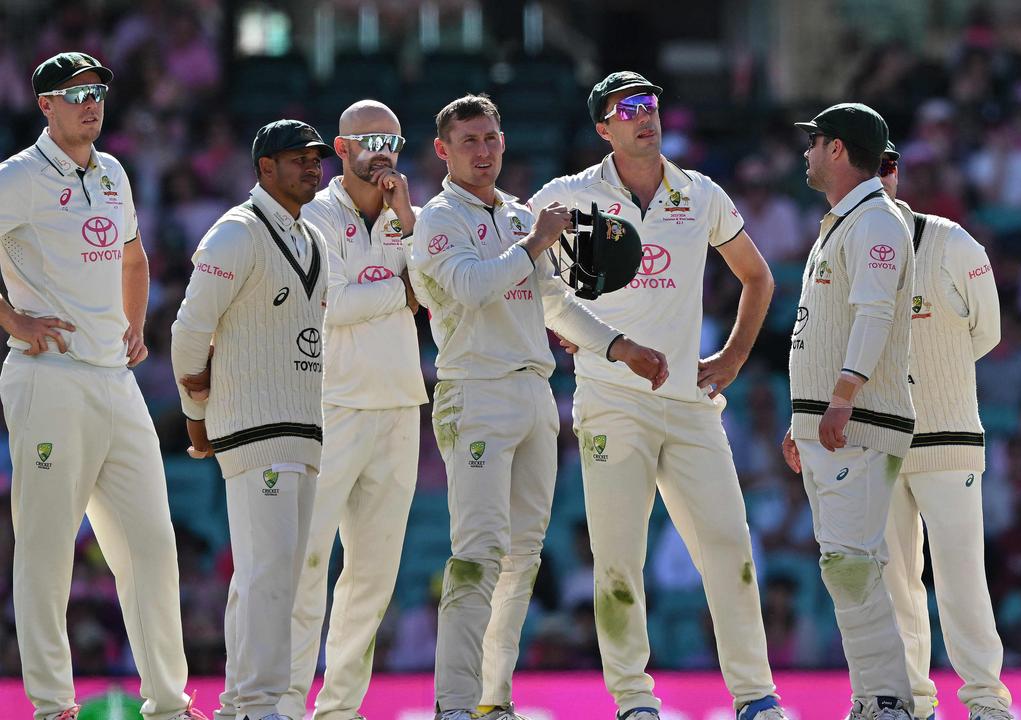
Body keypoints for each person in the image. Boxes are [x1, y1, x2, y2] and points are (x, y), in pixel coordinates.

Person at [529, 72, 789, 720]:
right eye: (628, 110)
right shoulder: (567, 197)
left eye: (650, 105)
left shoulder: (699, 194)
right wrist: (585, 335)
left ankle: (757, 698)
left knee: (730, 547)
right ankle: (633, 701)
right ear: (603, 128)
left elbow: (758, 278)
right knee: (618, 560)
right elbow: (529, 282)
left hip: (691, 404)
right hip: (611, 401)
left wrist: (731, 356)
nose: (645, 117)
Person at [410, 94, 668, 720]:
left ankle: (492, 701)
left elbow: (553, 304)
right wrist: (534, 242)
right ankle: (453, 705)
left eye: (492, 137)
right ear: (443, 151)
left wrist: (619, 346)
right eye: (469, 140)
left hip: (534, 392)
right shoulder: (438, 219)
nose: (484, 150)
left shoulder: (520, 216)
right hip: (475, 390)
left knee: (522, 559)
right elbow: (470, 287)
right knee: (476, 554)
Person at [0, 51, 201, 720]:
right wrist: (12, 317)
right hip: (47, 376)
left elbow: (133, 255)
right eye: (74, 92)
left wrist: (134, 325)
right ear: (45, 105)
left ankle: (169, 705)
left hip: (114, 379)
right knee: (48, 548)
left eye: (97, 92)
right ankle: (52, 706)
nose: (91, 102)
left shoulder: (112, 171)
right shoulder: (19, 177)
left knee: (150, 543)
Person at [171, 119, 333, 720]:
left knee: (279, 580)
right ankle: (259, 704)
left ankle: (243, 702)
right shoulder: (236, 232)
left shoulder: (311, 236)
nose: (313, 167)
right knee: (266, 575)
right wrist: (196, 415)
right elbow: (189, 332)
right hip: (255, 430)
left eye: (317, 158)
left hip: (302, 426)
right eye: (299, 159)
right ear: (265, 167)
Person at [279, 100, 428, 720]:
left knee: (372, 577)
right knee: (306, 567)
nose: (382, 148)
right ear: (339, 150)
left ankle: (339, 709)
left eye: (391, 137)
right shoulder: (310, 214)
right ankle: (281, 704)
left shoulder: (408, 218)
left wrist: (409, 225)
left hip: (399, 404)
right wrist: (405, 291)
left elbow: (439, 295)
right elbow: (329, 305)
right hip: (329, 405)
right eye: (367, 139)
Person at [782, 102, 916, 720]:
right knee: (849, 561)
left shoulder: (875, 221)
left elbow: (873, 315)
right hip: (832, 421)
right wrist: (803, 420)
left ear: (837, 150)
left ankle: (885, 699)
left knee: (849, 562)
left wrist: (841, 398)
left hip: (856, 422)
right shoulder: (847, 220)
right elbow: (823, 328)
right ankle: (878, 697)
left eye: (814, 142)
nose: (806, 152)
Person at [879, 146, 1013, 720]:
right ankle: (909, 700)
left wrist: (935, 380)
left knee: (960, 577)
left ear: (892, 173)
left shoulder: (953, 242)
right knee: (894, 583)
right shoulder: (835, 246)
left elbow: (985, 334)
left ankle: (985, 700)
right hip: (878, 440)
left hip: (947, 434)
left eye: (883, 168)